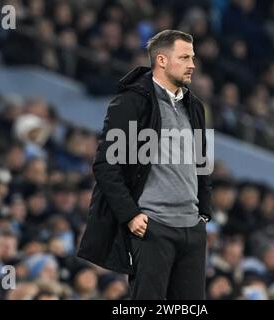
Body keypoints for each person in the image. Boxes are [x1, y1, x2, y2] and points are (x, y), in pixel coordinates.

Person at [77, 30, 212, 300]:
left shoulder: (194, 105)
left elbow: (201, 163)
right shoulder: (131, 101)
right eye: (184, 57)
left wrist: (203, 213)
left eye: (193, 58)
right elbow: (106, 165)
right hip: (153, 226)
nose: (192, 65)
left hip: (191, 229)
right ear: (161, 60)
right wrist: (130, 215)